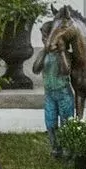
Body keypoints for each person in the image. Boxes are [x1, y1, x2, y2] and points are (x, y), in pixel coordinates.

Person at [32, 20, 75, 157]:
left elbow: (66, 70)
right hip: (49, 94)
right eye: (43, 39)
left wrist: (62, 52)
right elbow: (35, 69)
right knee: (50, 122)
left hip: (63, 93)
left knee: (66, 122)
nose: (45, 41)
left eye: (47, 37)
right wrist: (44, 52)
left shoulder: (64, 54)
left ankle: (67, 149)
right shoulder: (43, 54)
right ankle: (55, 148)